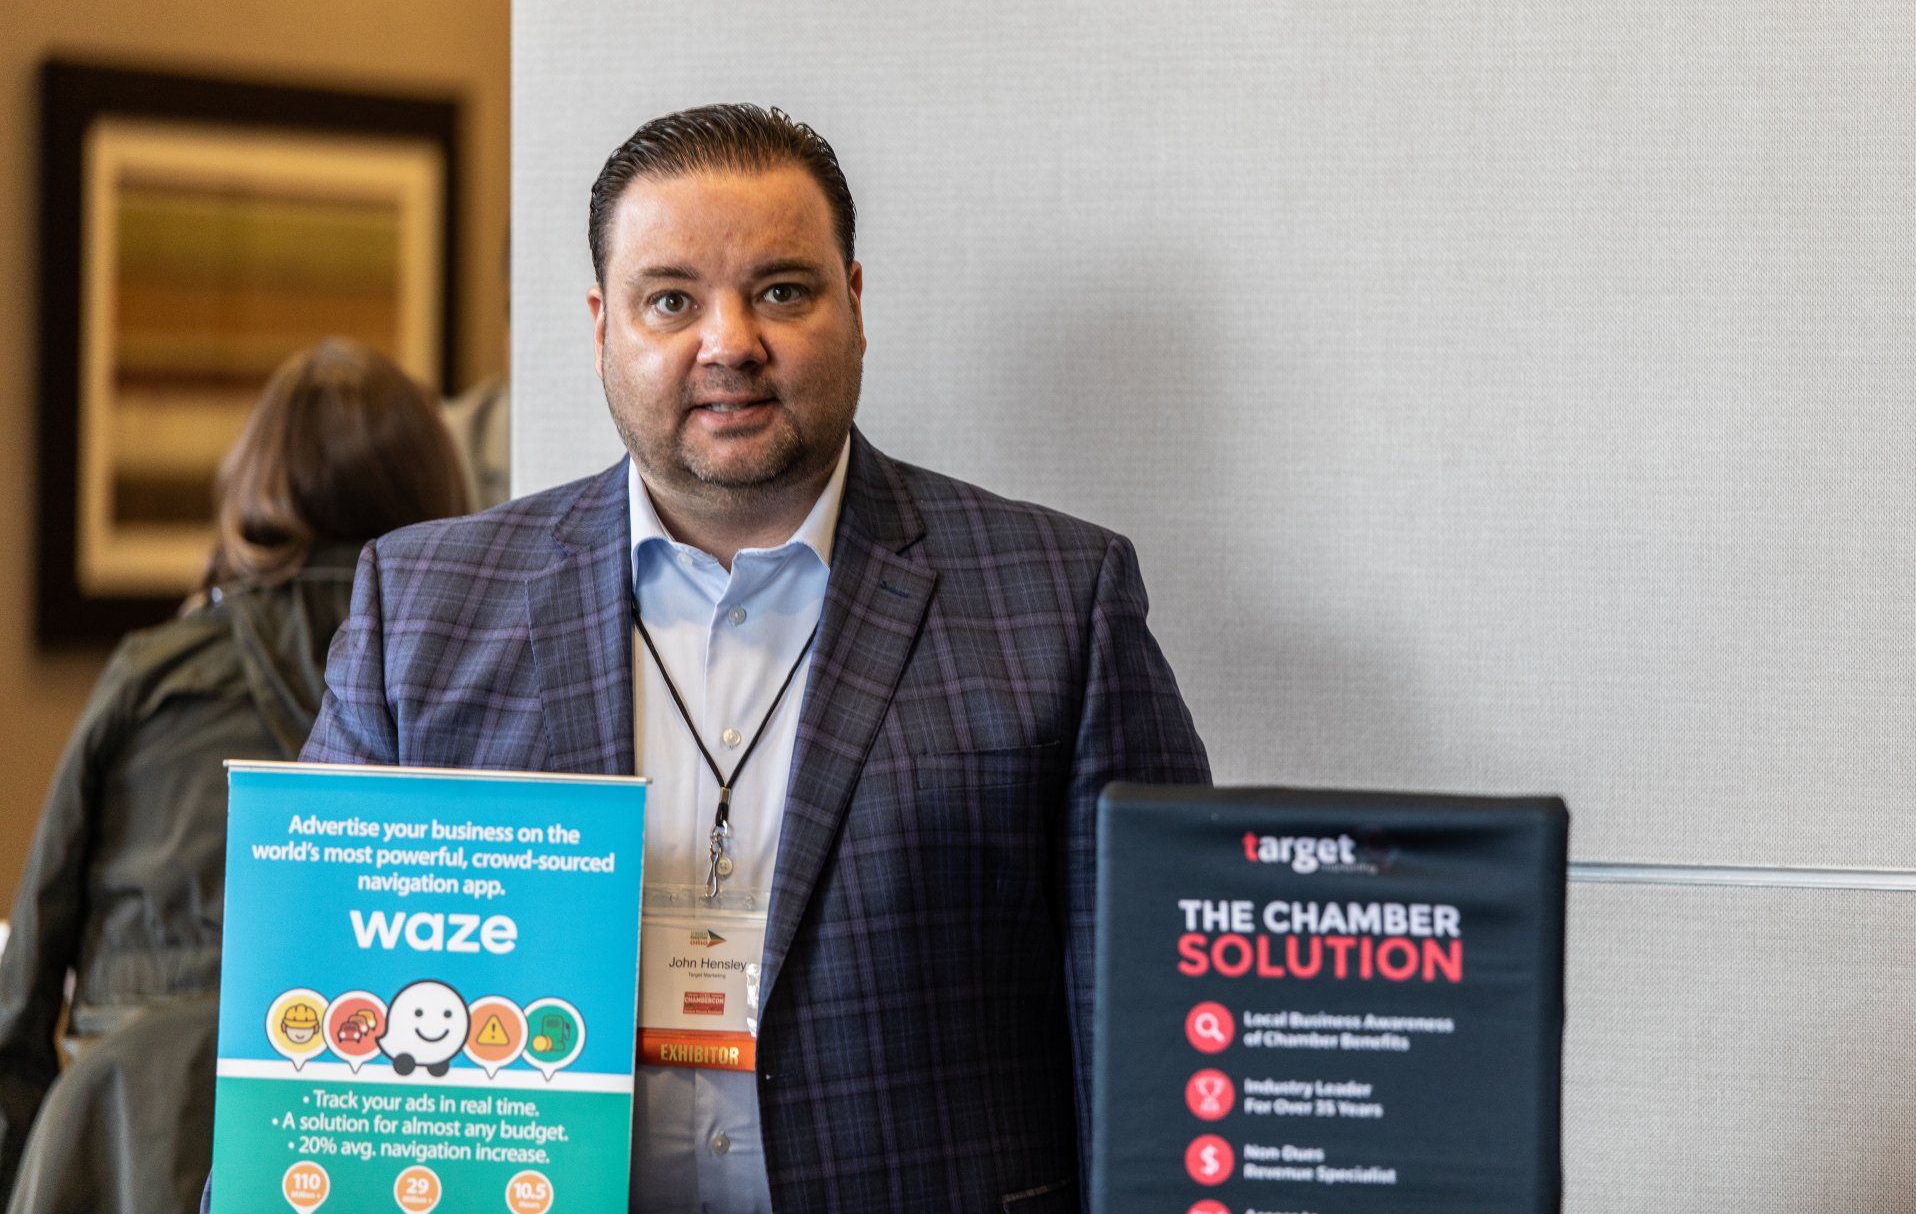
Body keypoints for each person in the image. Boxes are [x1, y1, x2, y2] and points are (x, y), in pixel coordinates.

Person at [290, 105, 1209, 1212]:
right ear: (600, 326)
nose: (729, 341)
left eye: (781, 290)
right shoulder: (425, 603)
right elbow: (315, 1015)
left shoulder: (1058, 599)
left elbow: (1161, 1047)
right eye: (670, 298)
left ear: (854, 306)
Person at [0, 339, 470, 1208]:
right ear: (438, 491)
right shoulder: (461, 678)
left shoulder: (155, 673)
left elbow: (26, 979)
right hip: (363, 1138)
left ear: (250, 490)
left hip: (121, 1138)